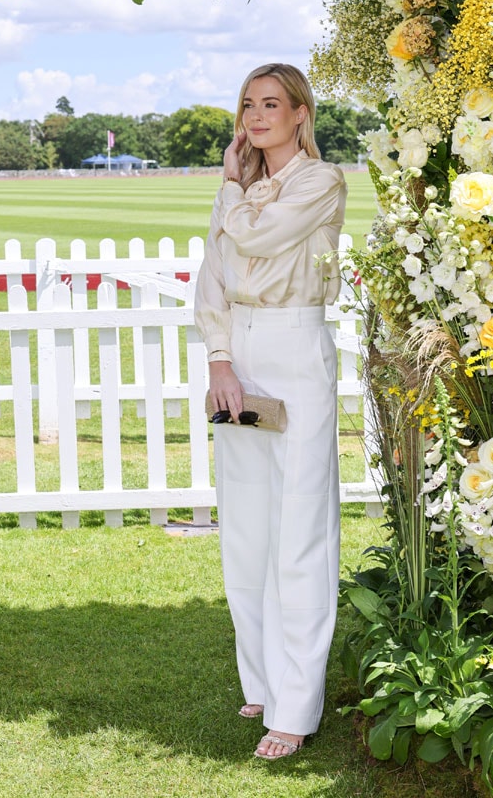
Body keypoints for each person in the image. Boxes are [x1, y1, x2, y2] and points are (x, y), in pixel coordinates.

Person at [193, 63, 347, 760]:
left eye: (271, 104)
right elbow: (213, 275)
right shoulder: (239, 191)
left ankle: (296, 704)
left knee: (299, 525)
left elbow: (252, 241)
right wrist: (219, 360)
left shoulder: (319, 182)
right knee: (247, 524)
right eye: (248, 105)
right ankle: (259, 676)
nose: (256, 117)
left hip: (295, 345)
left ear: (299, 114)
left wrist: (229, 186)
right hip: (244, 353)